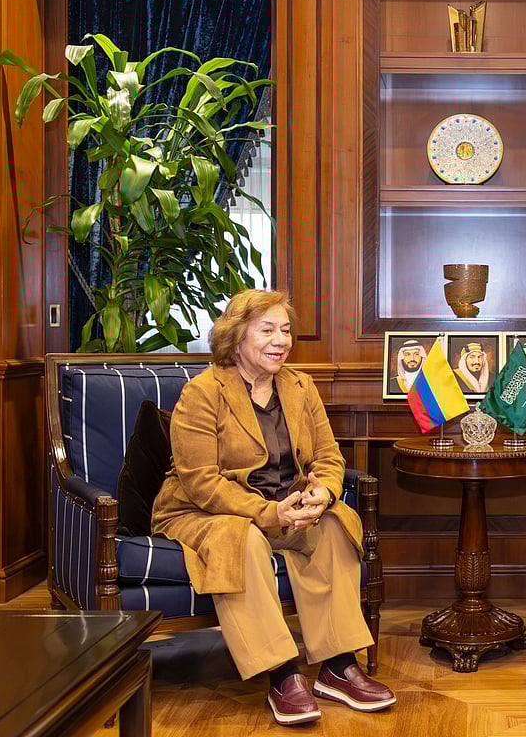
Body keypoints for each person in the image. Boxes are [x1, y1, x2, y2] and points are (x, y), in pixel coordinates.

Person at [152, 289, 395, 726]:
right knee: (241, 539)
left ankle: (338, 666)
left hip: (288, 507)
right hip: (205, 513)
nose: (280, 340)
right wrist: (270, 514)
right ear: (236, 336)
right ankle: (282, 672)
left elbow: (329, 456)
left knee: (336, 525)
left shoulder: (300, 387)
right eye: (267, 330)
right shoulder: (202, 393)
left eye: (285, 330)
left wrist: (325, 493)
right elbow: (201, 482)